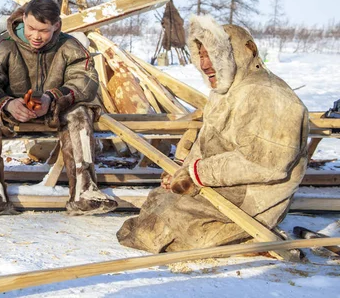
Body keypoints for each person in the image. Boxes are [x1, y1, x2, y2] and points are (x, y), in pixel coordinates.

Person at [117, 14, 308, 253]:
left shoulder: (269, 95)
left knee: (163, 227)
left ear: (236, 54)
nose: (205, 64)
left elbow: (265, 164)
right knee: (157, 203)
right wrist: (182, 172)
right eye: (202, 56)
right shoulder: (224, 92)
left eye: (213, 55)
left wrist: (197, 173)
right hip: (219, 184)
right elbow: (206, 143)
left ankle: (251, 239)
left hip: (250, 197)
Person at [0, 0, 118, 218]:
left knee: (81, 114)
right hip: (10, 114)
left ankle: (85, 193)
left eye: (44, 31)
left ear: (56, 26)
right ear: (23, 18)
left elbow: (85, 81)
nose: (36, 36)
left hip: (56, 112)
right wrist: (6, 103)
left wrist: (52, 99)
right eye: (31, 28)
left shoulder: (69, 46)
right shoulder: (3, 44)